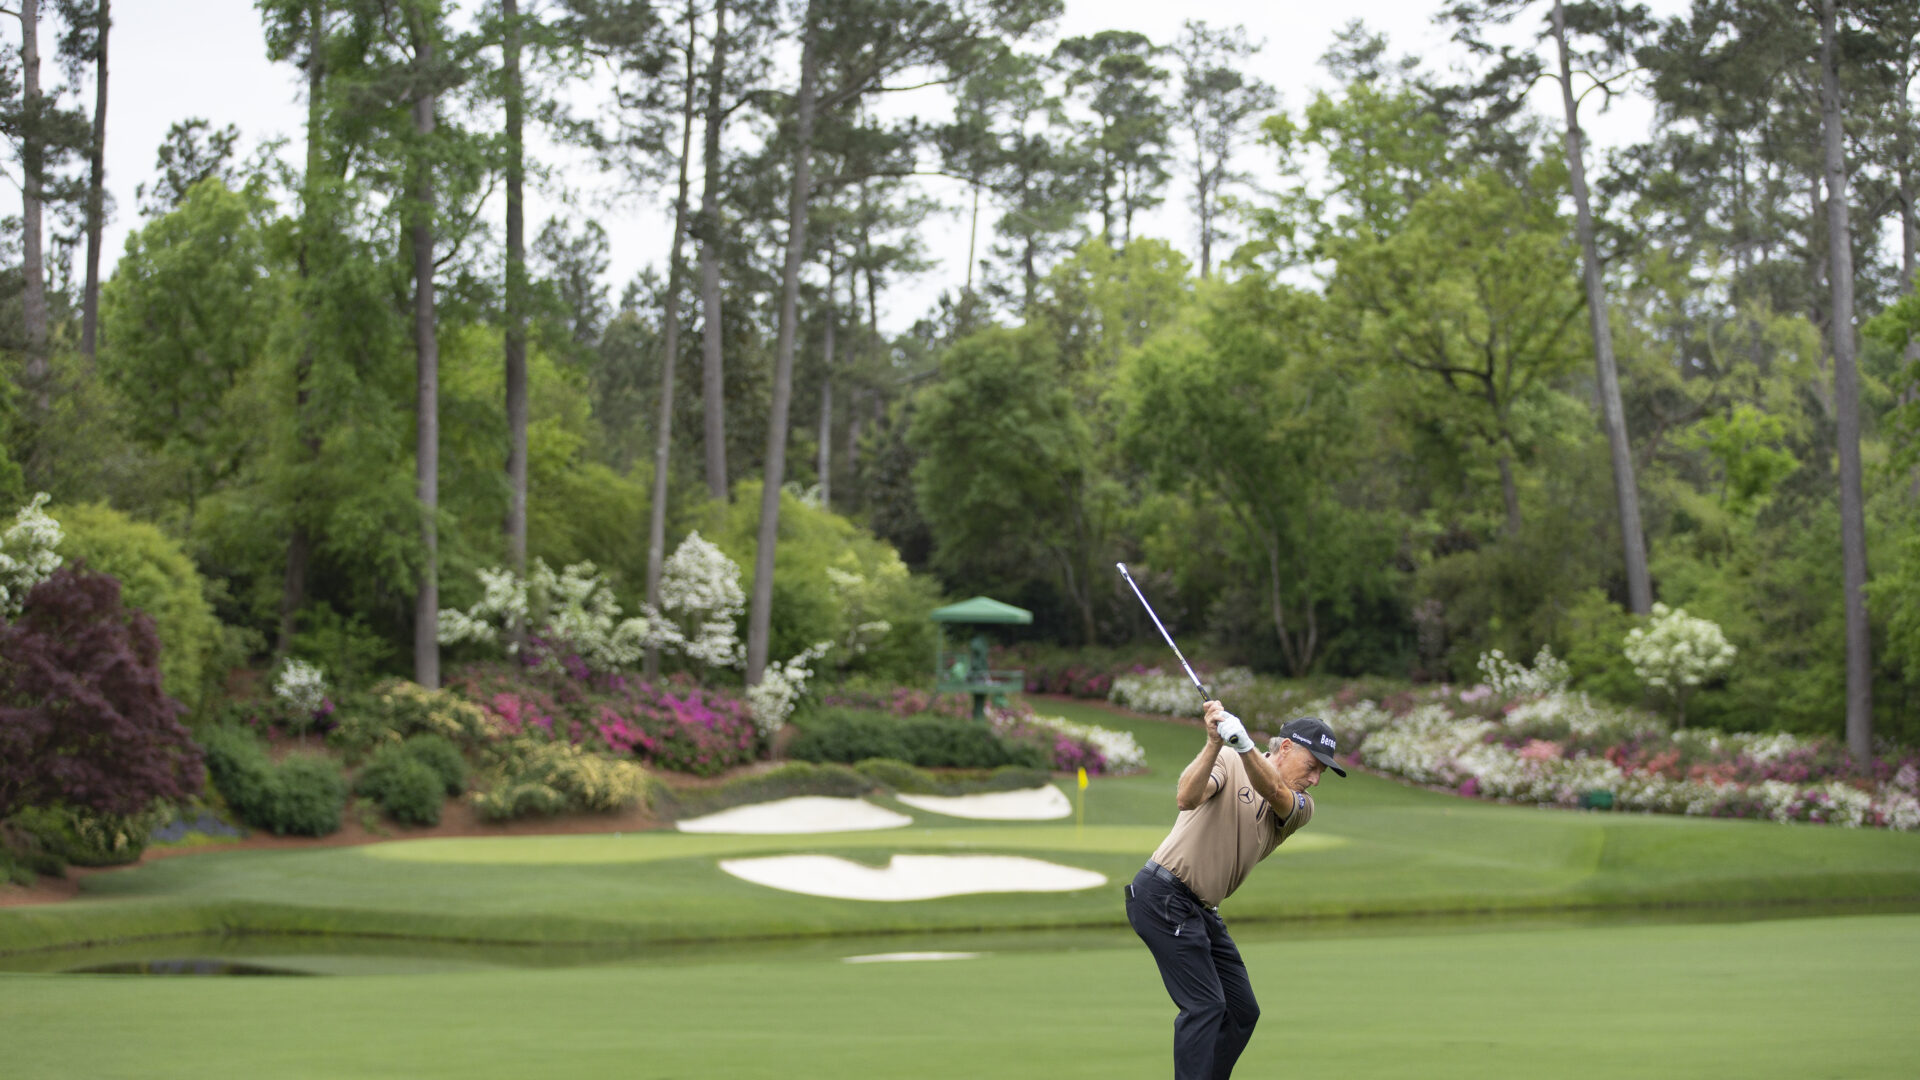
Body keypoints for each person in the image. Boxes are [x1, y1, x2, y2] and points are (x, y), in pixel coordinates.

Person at [1125, 701, 1346, 1080]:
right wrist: (1214, 743)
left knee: (1243, 1011)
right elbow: (1186, 798)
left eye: (1322, 772)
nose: (1315, 780)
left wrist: (1243, 747)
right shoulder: (1227, 760)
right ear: (1287, 748)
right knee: (1205, 1006)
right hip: (1162, 896)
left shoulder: (1302, 805)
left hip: (1201, 909)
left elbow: (1274, 790)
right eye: (1313, 767)